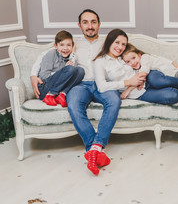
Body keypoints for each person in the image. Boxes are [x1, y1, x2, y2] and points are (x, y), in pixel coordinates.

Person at [30, 9, 144, 176]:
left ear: (99, 24)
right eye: (85, 22)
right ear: (79, 25)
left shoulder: (108, 42)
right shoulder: (72, 43)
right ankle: (95, 149)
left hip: (103, 85)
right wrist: (34, 75)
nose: (90, 26)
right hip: (79, 84)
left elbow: (127, 54)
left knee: (114, 101)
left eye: (93, 22)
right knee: (73, 104)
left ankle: (94, 149)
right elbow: (44, 55)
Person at [93, 29, 178, 105]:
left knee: (159, 81)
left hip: (148, 77)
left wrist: (130, 85)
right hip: (139, 93)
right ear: (109, 41)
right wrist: (127, 84)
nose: (120, 47)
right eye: (117, 43)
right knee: (169, 96)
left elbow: (142, 67)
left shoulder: (124, 56)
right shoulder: (100, 62)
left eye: (123, 44)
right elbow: (102, 87)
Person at [37, 30, 84, 107]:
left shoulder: (71, 57)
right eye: (61, 45)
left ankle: (62, 94)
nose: (65, 48)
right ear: (56, 46)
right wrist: (63, 71)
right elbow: (44, 76)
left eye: (69, 45)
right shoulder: (51, 54)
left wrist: (73, 55)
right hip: (45, 89)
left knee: (80, 70)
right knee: (70, 69)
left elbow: (74, 76)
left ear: (72, 46)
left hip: (60, 89)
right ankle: (50, 95)